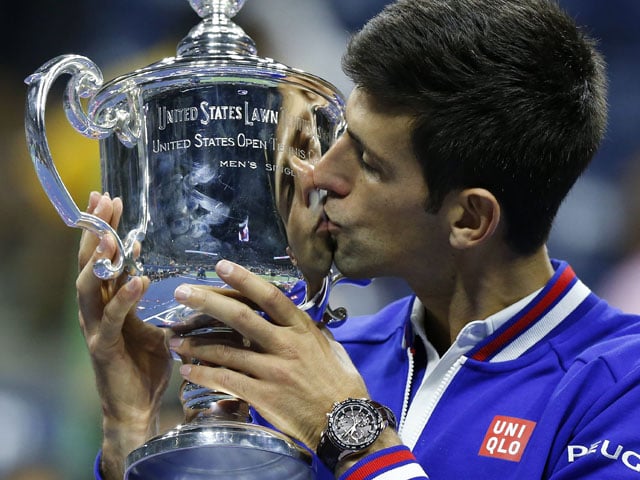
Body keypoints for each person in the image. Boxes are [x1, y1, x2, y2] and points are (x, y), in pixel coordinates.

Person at [76, 0, 640, 479]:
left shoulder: (617, 387)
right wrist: (128, 426)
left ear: (470, 219)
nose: (321, 173)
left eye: (367, 162)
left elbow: (343, 422)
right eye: (341, 132)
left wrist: (351, 433)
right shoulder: (310, 360)